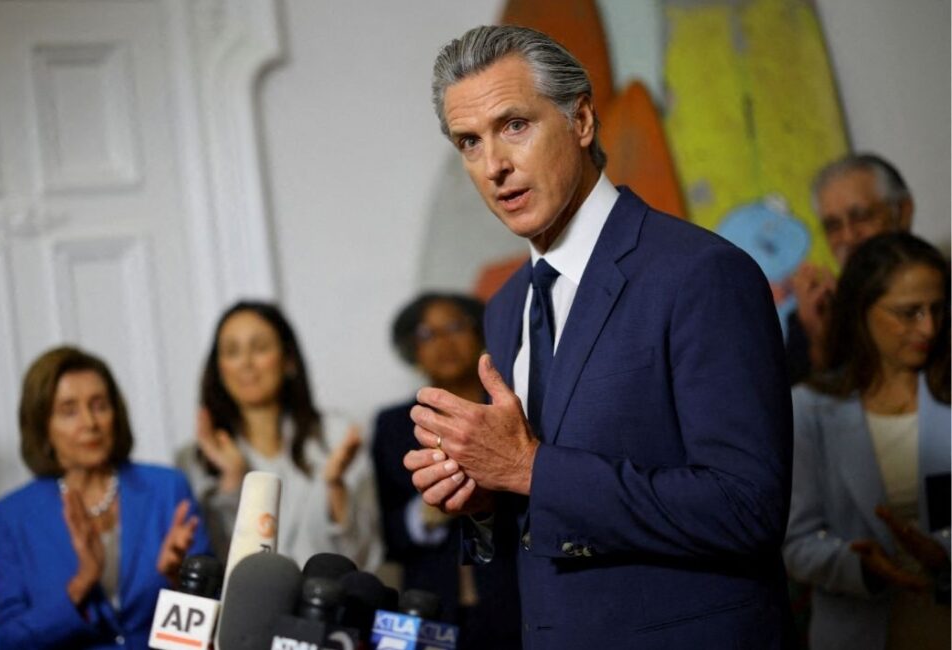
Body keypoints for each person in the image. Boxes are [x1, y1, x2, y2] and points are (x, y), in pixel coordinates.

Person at [404, 26, 793, 649]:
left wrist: (529, 469)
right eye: (469, 142)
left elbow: (748, 508)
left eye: (514, 126)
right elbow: (545, 523)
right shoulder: (505, 308)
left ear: (581, 120)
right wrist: (484, 501)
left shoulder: (701, 273)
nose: (494, 165)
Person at [783, 232, 950, 650]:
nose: (928, 327)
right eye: (908, 313)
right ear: (862, 311)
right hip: (858, 631)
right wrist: (860, 567)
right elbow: (796, 543)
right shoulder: (810, 409)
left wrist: (943, 554)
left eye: (937, 309)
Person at [0, 346, 210, 649]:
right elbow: (5, 641)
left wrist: (177, 581)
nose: (90, 423)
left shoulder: (167, 489)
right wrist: (81, 583)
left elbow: (209, 623)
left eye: (100, 405)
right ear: (42, 427)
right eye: (69, 411)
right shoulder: (11, 517)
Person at [178, 301, 381, 570]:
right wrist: (232, 481)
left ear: (288, 360)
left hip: (331, 594)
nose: (246, 363)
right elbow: (213, 566)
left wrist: (335, 487)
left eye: (260, 348)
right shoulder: (195, 458)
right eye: (232, 352)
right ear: (218, 369)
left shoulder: (337, 436)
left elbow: (366, 557)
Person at [372, 292, 520, 649]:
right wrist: (423, 516)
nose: (443, 343)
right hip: (427, 605)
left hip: (514, 600)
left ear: (479, 333)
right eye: (427, 334)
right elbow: (387, 532)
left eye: (454, 327)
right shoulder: (393, 425)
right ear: (413, 350)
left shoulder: (511, 410)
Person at [787, 153, 914, 384]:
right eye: (833, 226)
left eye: (862, 217)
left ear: (902, 212)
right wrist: (820, 342)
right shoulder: (817, 314)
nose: (848, 237)